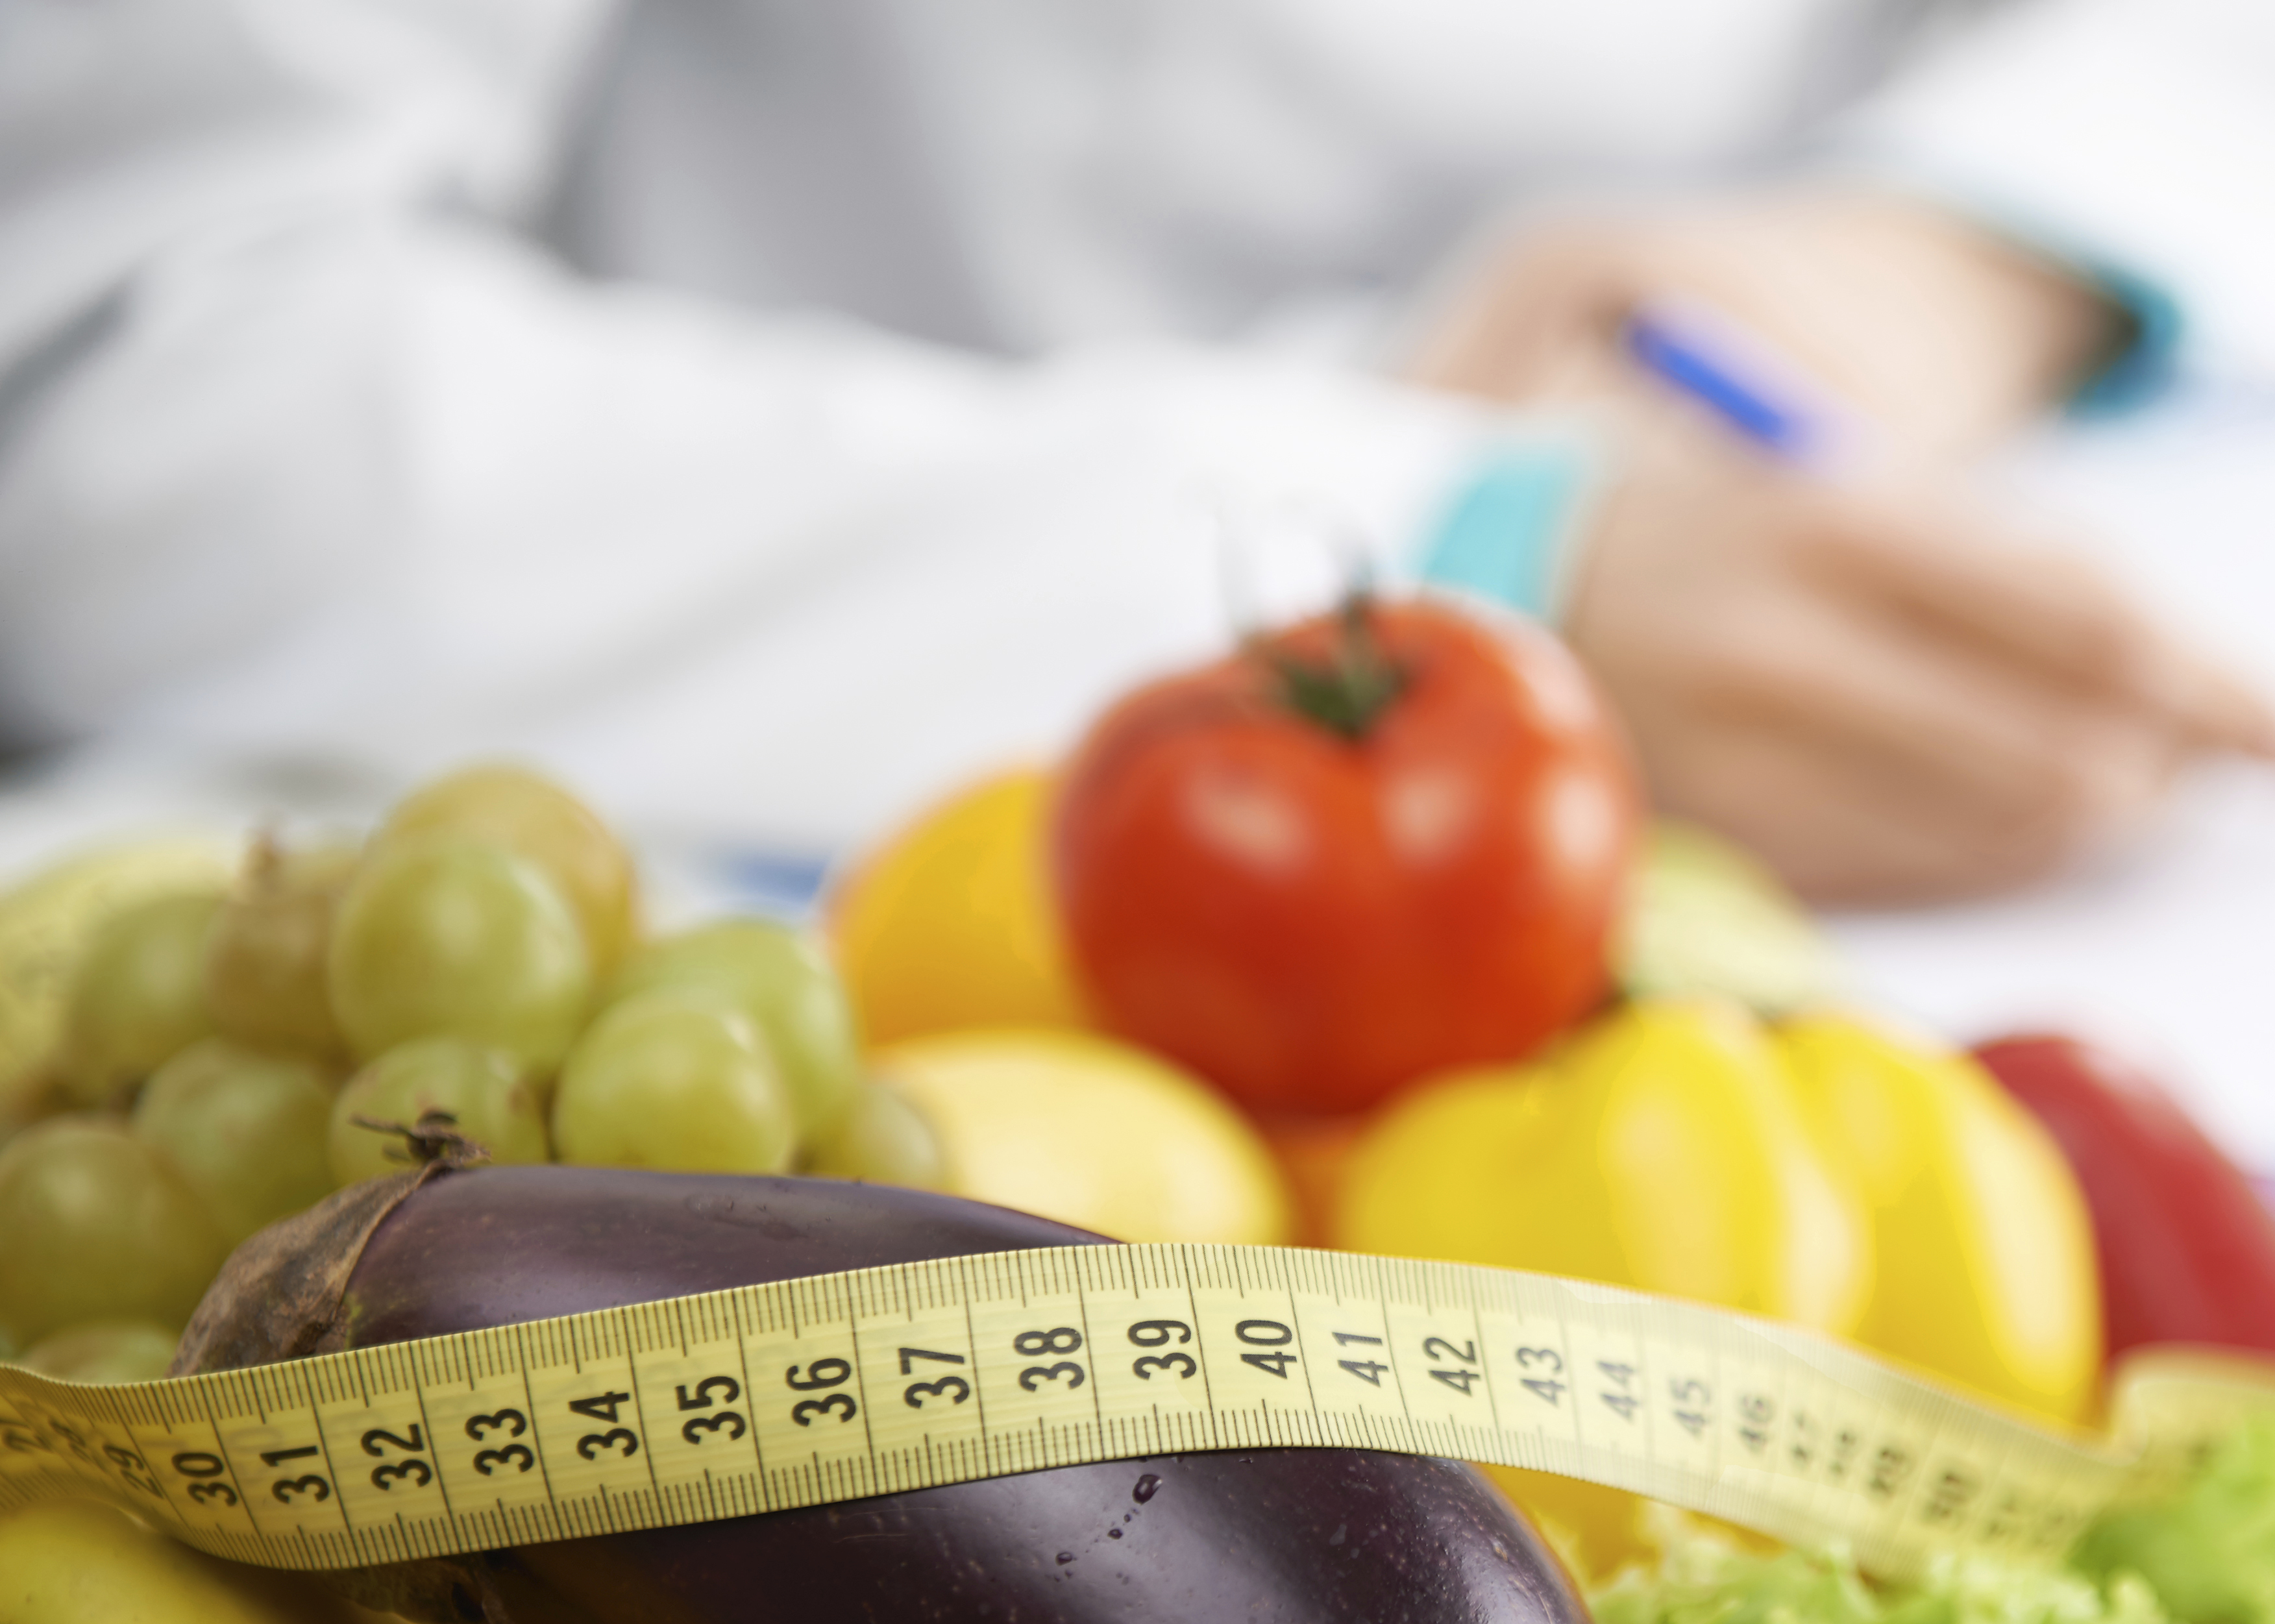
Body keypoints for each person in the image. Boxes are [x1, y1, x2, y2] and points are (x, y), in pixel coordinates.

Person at [1, 0, 2270, 902]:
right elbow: (127, 373)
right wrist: (1417, 580)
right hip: (788, 743)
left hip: (1889, 488)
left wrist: (1974, 234)